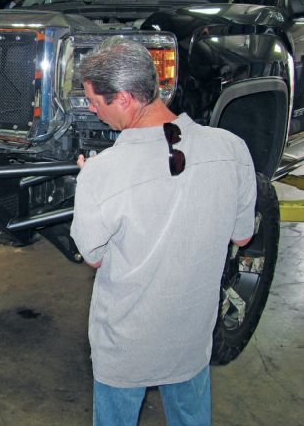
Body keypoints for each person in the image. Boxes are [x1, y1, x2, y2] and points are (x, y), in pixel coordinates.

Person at [69, 37, 257, 425]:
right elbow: (241, 238)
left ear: (123, 99)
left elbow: (94, 258)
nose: (91, 109)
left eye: (94, 101)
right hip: (190, 339)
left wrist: (88, 182)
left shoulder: (102, 174)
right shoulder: (232, 148)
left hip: (125, 349)